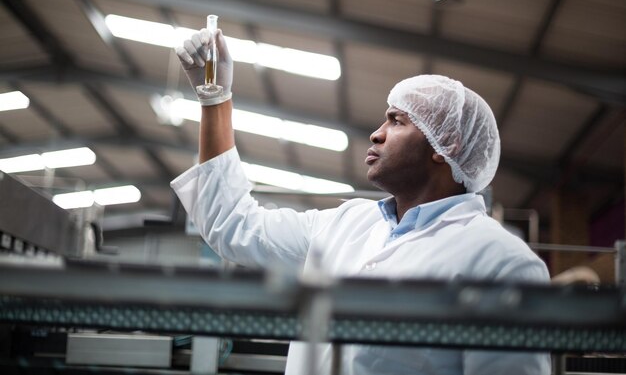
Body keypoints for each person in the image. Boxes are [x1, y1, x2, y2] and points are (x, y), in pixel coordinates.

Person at [172, 28, 551, 375]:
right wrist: (215, 100)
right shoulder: (344, 224)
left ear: (446, 144)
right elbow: (234, 224)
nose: (376, 133)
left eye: (397, 121)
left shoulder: (500, 261)